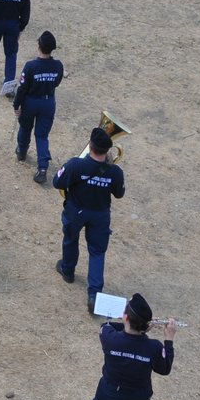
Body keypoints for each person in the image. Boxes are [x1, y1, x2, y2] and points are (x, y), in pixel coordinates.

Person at [55, 127, 127, 307]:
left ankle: (68, 270)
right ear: (107, 151)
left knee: (70, 240)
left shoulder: (76, 165)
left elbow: (57, 181)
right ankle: (94, 295)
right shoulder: (115, 172)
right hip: (100, 215)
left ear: (90, 145)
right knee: (97, 252)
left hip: (76, 211)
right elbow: (119, 194)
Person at [14, 30, 64, 184]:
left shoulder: (30, 66)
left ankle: (22, 152)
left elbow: (22, 88)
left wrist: (17, 104)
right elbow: (57, 82)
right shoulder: (58, 66)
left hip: (30, 102)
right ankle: (42, 168)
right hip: (48, 103)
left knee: (25, 128)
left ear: (39, 46)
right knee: (42, 136)